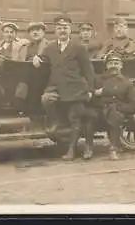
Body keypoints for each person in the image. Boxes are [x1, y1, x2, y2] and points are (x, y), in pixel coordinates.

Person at [36, 15, 96, 161]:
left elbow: (88, 70)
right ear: (55, 30)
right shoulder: (49, 47)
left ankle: (72, 150)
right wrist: (36, 58)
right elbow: (42, 59)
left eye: (65, 28)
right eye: (59, 28)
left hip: (74, 87)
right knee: (46, 99)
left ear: (70, 30)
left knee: (75, 117)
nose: (62, 31)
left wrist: (90, 90)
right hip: (55, 86)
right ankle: (56, 122)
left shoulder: (79, 47)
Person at [92, 53, 135, 160]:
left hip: (115, 110)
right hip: (99, 109)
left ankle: (113, 149)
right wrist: (96, 94)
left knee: (115, 115)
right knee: (87, 114)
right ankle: (87, 148)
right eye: (111, 63)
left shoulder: (126, 83)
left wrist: (119, 107)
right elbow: (92, 94)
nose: (113, 66)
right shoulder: (99, 79)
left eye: (116, 63)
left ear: (121, 66)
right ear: (106, 66)